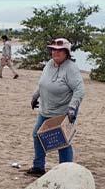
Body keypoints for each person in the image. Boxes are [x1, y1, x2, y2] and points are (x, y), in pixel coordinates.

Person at [27, 37, 86, 177]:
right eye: (53, 50)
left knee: (62, 141)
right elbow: (43, 83)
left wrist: (72, 108)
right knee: (37, 135)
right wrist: (35, 96)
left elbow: (79, 90)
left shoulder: (71, 68)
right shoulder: (49, 64)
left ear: (66, 52)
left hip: (63, 111)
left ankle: (65, 172)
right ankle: (38, 167)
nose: (55, 53)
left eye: (59, 50)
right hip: (46, 108)